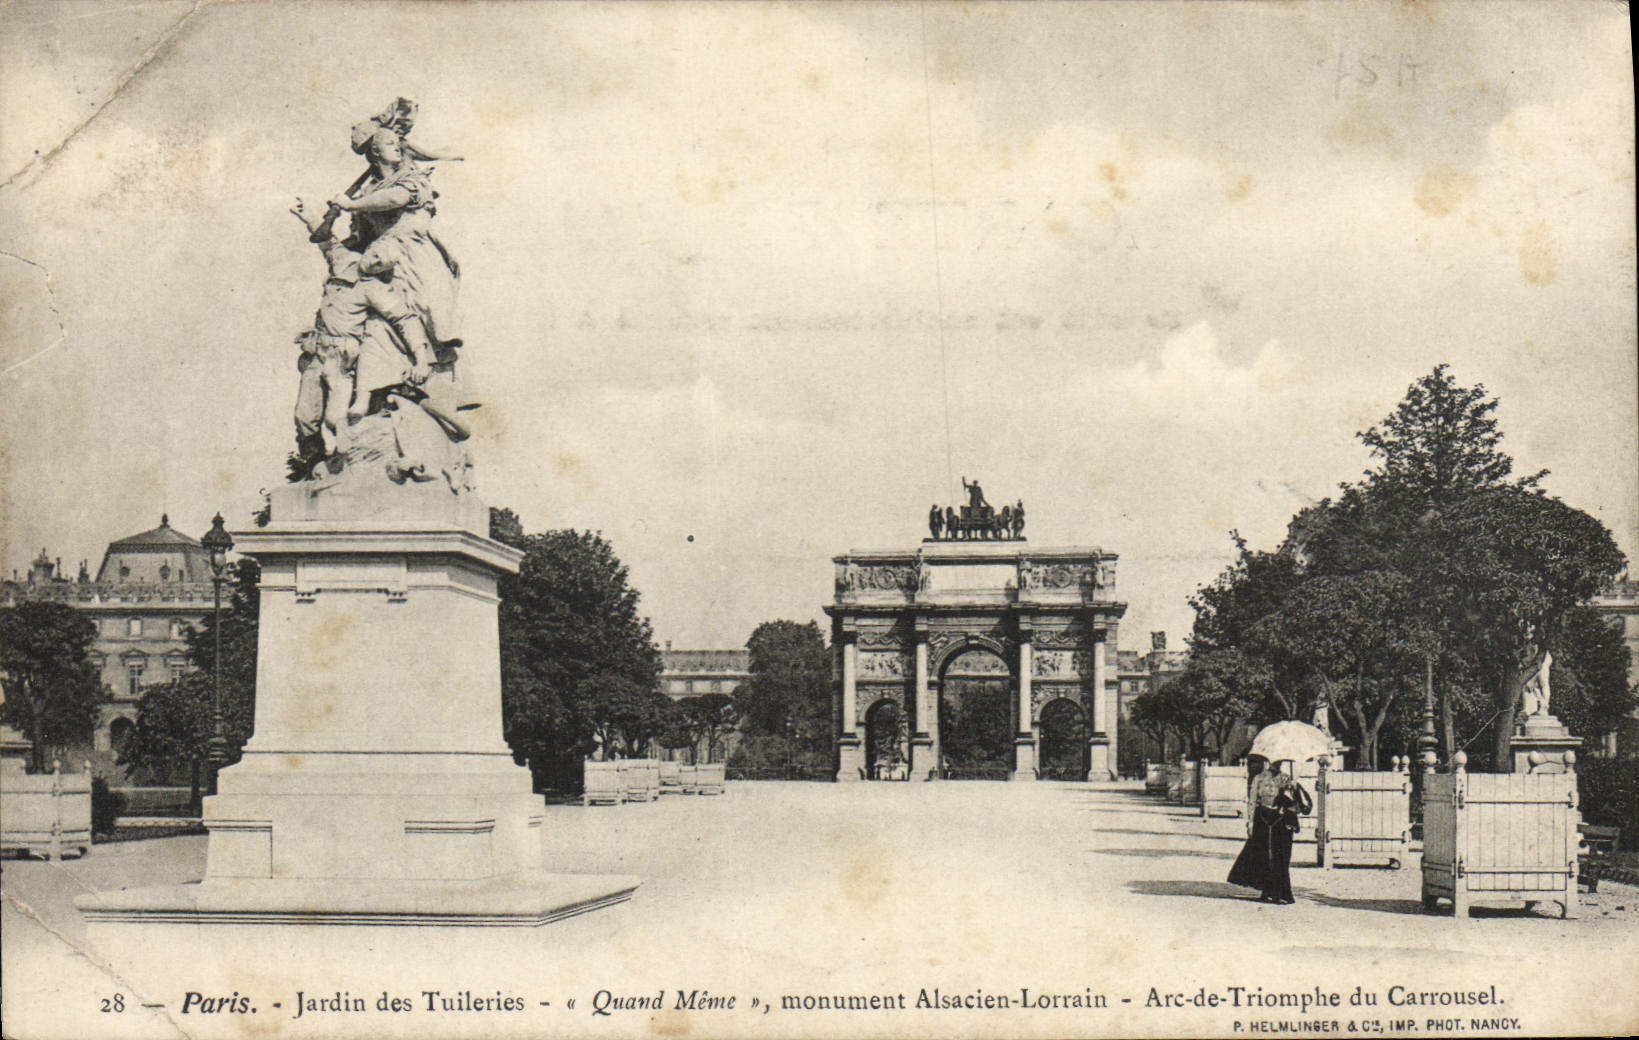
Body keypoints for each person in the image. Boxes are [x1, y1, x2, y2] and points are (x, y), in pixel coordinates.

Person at [1228, 758, 1311, 904]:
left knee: (1280, 856)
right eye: (1274, 762)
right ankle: (1266, 891)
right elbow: (1252, 801)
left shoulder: (1286, 778)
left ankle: (1281, 892)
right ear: (1268, 761)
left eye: (1279, 762)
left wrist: (1292, 787)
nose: (1277, 765)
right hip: (1262, 819)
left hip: (1280, 820)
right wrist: (1250, 823)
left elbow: (1294, 803)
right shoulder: (1259, 778)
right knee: (1264, 855)